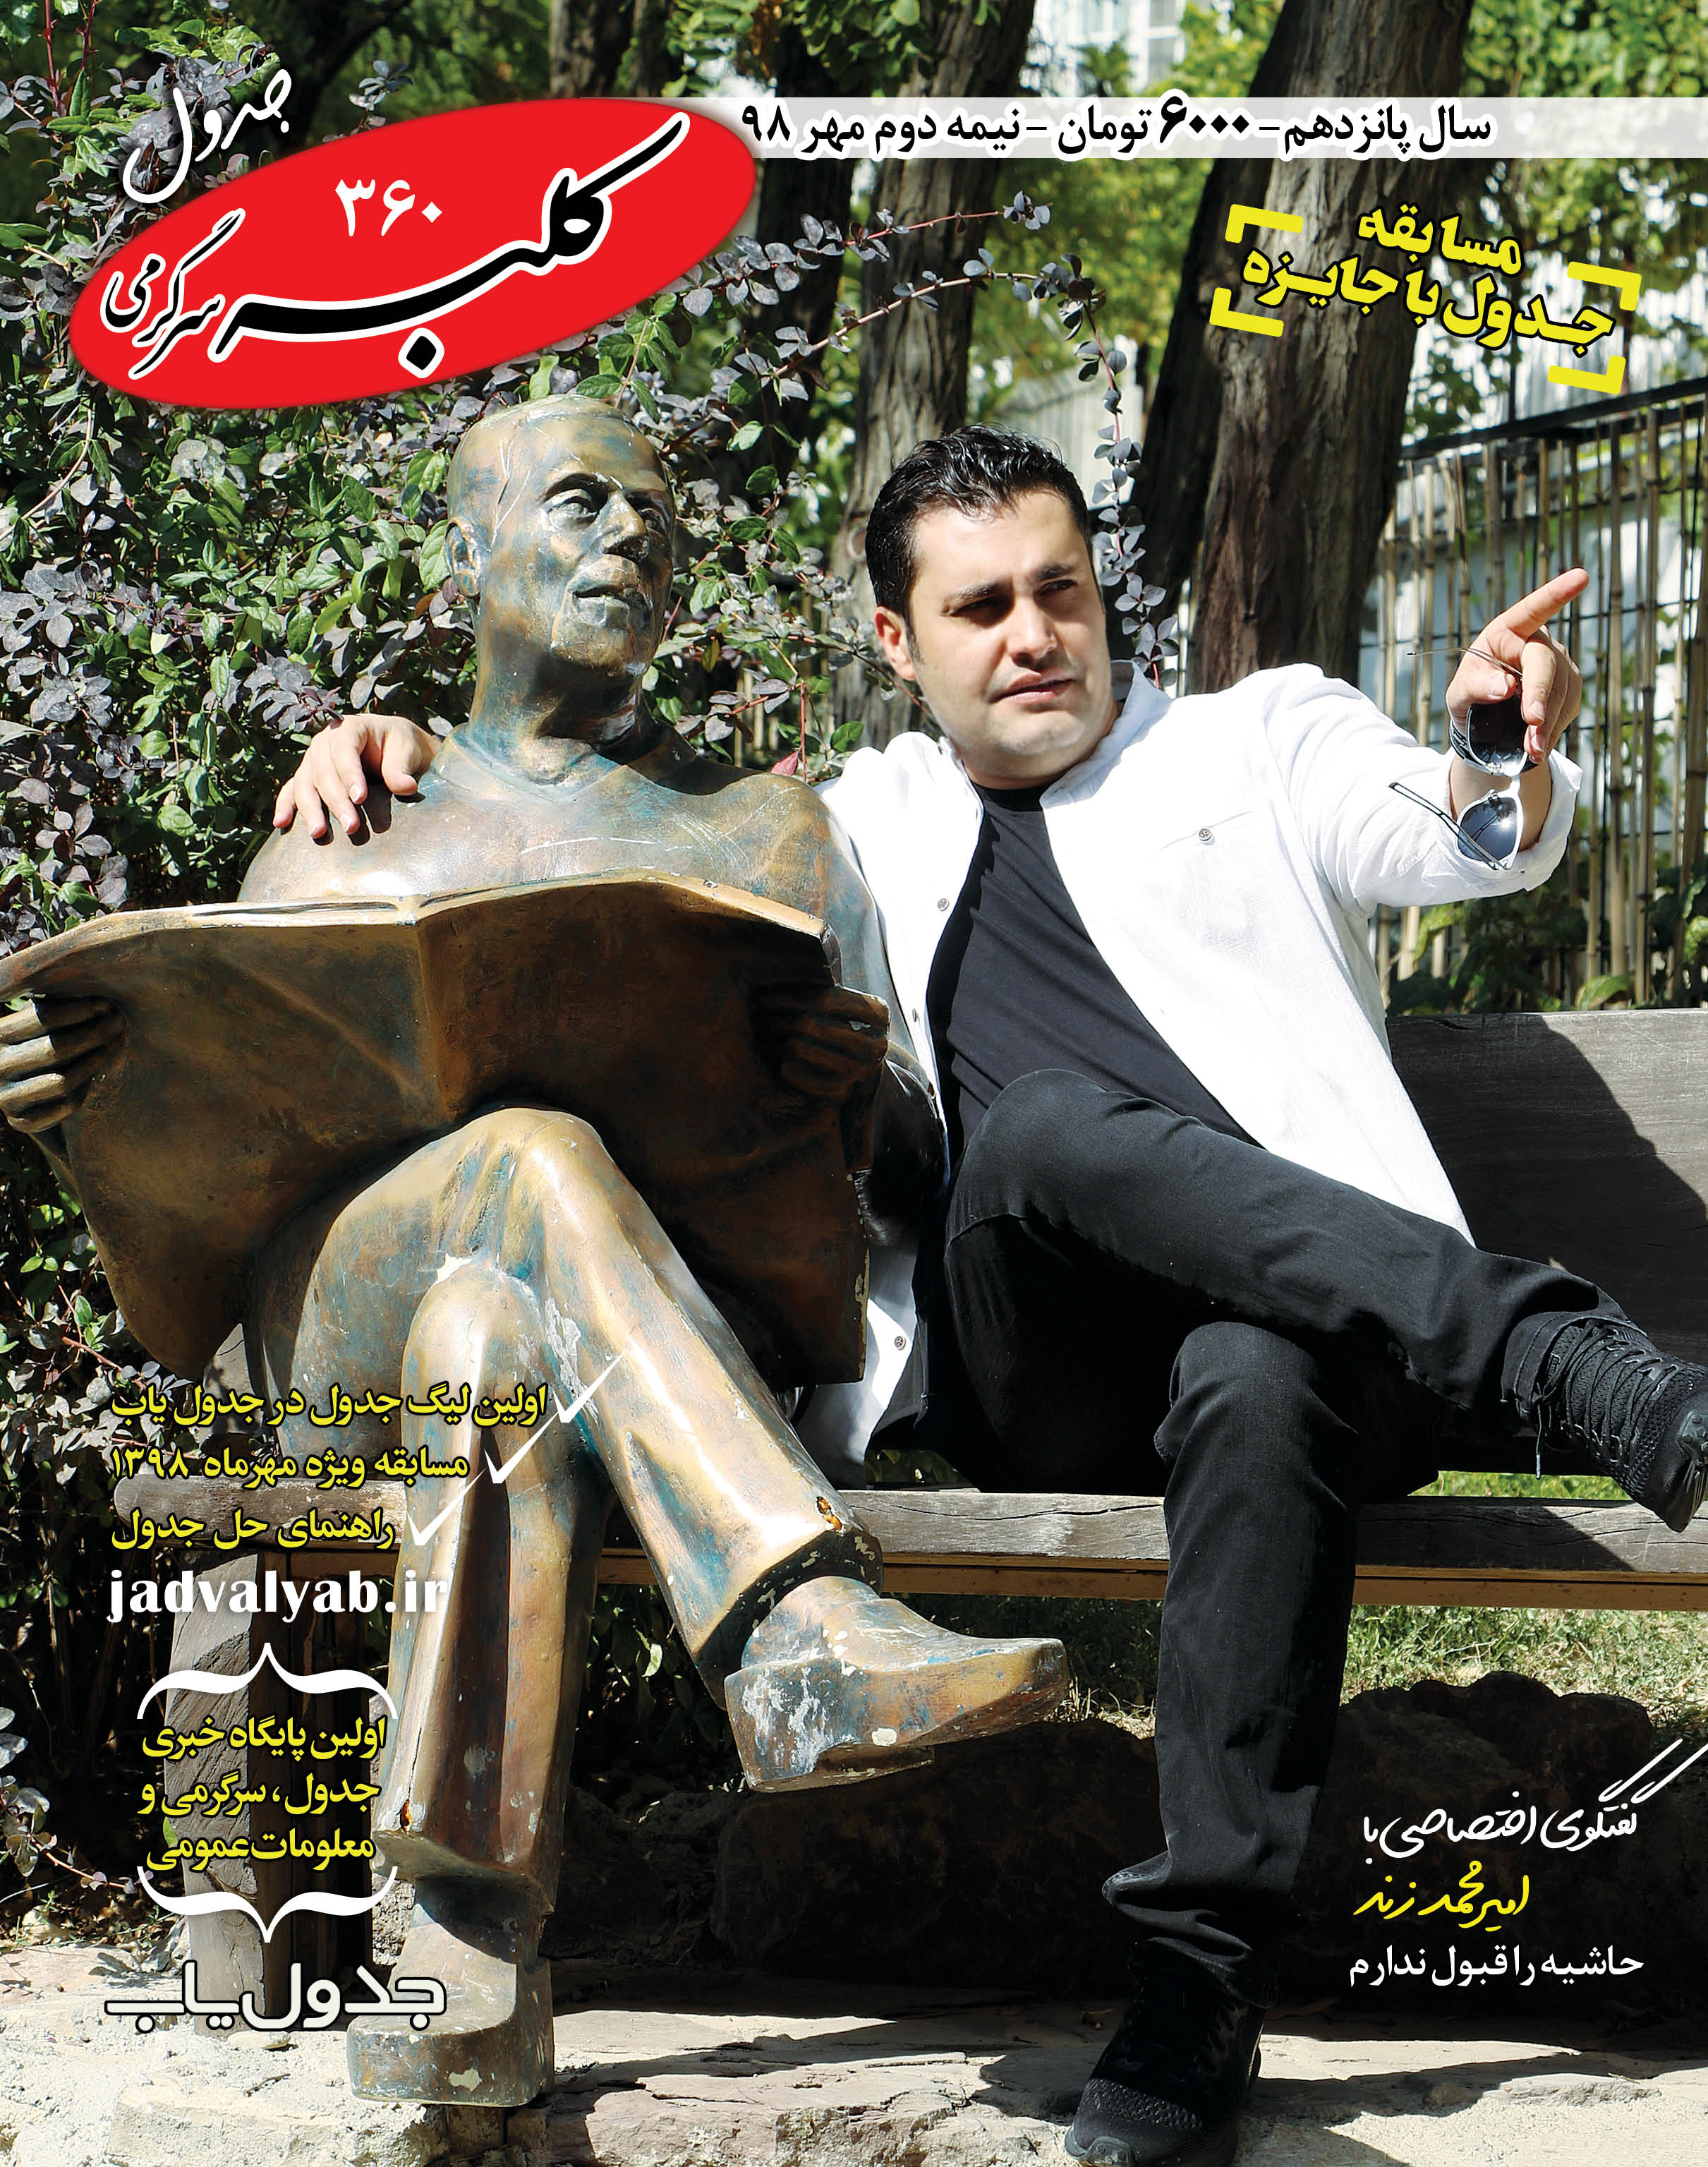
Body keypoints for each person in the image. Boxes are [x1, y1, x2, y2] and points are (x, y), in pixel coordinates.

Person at [265, 423, 1708, 2167]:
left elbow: (1461, 833)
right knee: (1031, 1134)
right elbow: (601, 877)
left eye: (1058, 591)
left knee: (1250, 1380)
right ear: (896, 641)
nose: (1033, 636)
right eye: (978, 609)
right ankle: (1551, 1355)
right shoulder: (858, 821)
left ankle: (1193, 1992)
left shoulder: (1258, 740)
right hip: (1050, 1362)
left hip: (1337, 1339)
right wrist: (397, 745)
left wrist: (1488, 746)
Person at [0, 402, 1066, 2109]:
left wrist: (847, 1089)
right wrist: (79, 1107)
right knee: (523, 1164)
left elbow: (902, 1170)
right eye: (579, 504)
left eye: (656, 516)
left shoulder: (768, 833)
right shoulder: (350, 814)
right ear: (466, 555)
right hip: (327, 1338)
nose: (630, 536)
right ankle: (791, 1618)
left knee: (489, 1335)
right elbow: (212, 1170)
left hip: (649, 1340)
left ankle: (457, 1952)